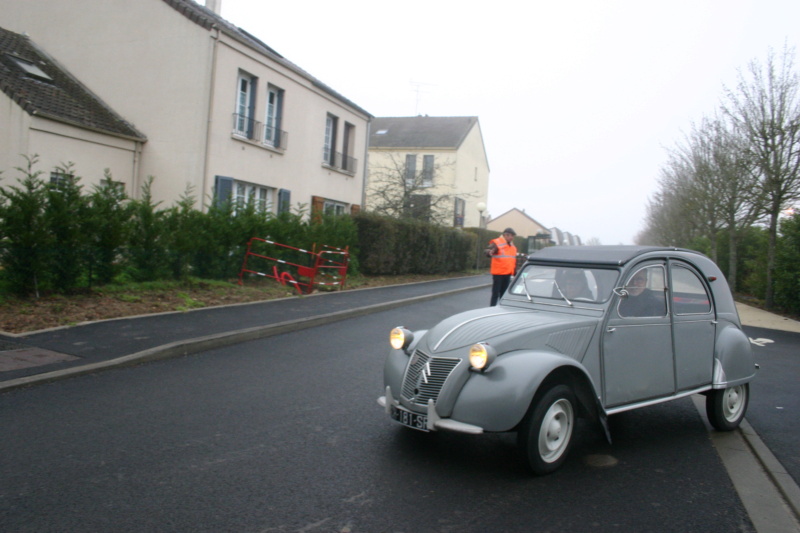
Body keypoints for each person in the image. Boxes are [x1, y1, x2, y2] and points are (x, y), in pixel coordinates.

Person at [486, 228, 518, 306]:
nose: (512, 238)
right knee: (495, 293)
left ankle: (502, 309)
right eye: (511, 236)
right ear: (505, 235)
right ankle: (492, 308)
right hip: (498, 273)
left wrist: (514, 272)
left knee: (503, 294)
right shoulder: (497, 243)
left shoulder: (512, 246)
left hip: (507, 273)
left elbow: (512, 260)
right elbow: (488, 250)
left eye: (513, 236)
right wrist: (489, 252)